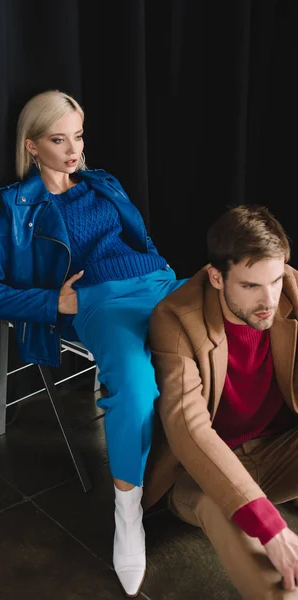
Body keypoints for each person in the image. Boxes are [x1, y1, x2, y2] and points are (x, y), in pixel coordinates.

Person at [0, 89, 188, 597]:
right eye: (58, 139)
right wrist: (52, 304)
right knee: (133, 388)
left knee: (238, 328)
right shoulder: (18, 208)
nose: (73, 150)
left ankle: (226, 466)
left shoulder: (102, 182)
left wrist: (162, 270)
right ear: (32, 145)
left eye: (78, 136)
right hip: (99, 302)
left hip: (157, 283)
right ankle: (128, 512)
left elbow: (138, 241)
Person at [142, 204, 298, 599]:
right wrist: (271, 525)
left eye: (276, 281)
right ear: (216, 277)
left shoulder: (288, 287)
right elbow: (188, 427)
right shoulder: (175, 317)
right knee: (280, 586)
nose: (269, 299)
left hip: (281, 448)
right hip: (205, 473)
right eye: (250, 286)